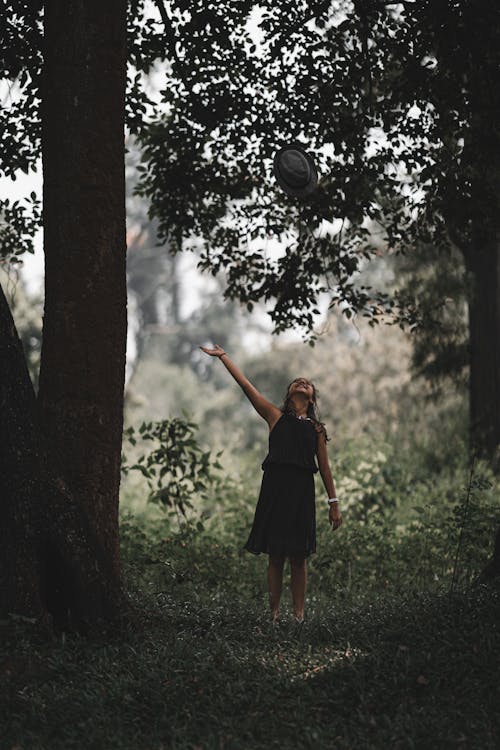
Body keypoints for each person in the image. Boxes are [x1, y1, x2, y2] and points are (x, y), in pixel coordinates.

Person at [199, 344, 342, 623]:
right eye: (297, 382)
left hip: (301, 493)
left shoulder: (317, 430)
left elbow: (325, 468)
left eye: (307, 384)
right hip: (275, 491)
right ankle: (274, 615)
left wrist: (333, 503)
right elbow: (245, 385)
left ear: (311, 398)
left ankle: (298, 617)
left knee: (299, 557)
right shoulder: (274, 417)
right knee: (275, 555)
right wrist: (224, 357)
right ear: (289, 394)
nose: (302, 383)